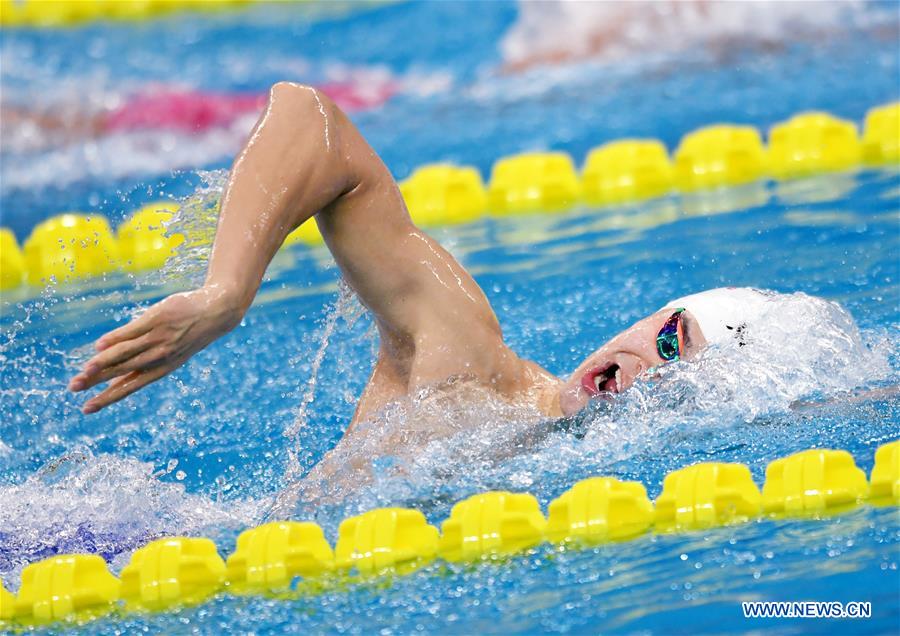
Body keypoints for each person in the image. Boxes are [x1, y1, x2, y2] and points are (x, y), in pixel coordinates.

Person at [65, 83, 765, 427]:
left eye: (688, 384)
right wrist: (226, 294)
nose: (653, 373)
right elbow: (313, 122)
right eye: (670, 340)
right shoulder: (476, 368)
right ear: (640, 323)